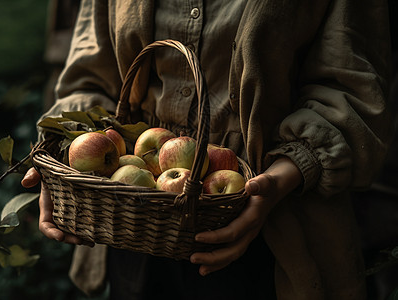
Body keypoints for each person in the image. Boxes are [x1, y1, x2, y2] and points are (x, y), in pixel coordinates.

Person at [22, 0, 393, 299]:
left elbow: (353, 87)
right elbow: (90, 74)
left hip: (271, 225)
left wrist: (280, 180)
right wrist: (65, 163)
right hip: (133, 219)